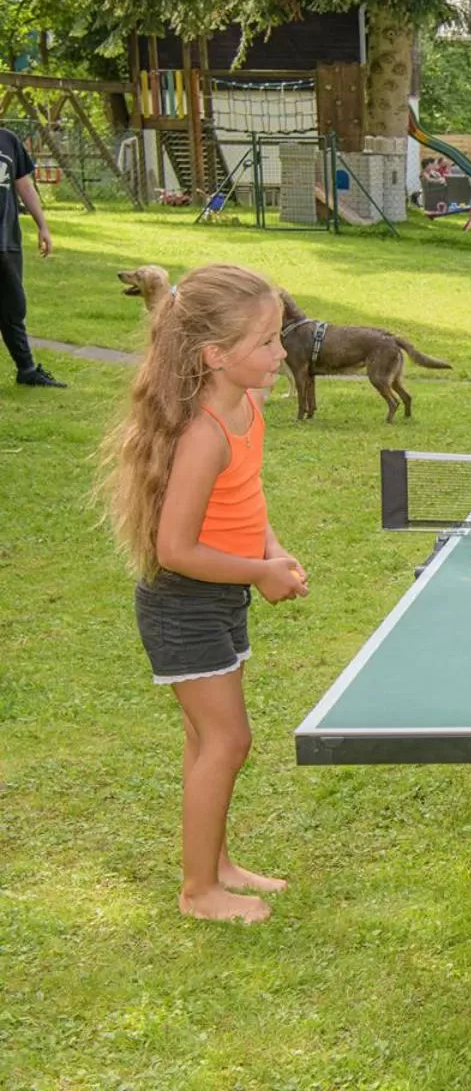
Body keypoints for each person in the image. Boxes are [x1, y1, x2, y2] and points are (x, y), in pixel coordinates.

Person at [98, 264, 309, 923]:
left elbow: (247, 497)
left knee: (206, 740)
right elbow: (175, 549)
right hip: (183, 602)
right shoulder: (200, 436)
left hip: (219, 596)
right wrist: (257, 572)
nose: (282, 353)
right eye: (268, 342)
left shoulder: (245, 407)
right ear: (216, 355)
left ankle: (218, 865)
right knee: (227, 742)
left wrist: (270, 550)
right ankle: (199, 892)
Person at [0, 126, 63, 387]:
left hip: (6, 239)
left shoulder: (8, 140)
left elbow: (24, 185)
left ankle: (26, 370)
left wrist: (43, 226)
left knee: (13, 306)